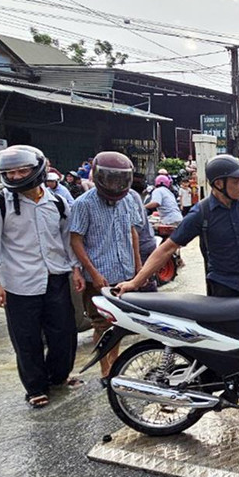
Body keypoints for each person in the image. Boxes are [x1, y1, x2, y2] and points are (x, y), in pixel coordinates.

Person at [116, 155, 239, 330]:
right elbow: (167, 248)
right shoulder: (201, 213)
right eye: (236, 182)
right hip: (225, 286)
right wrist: (135, 282)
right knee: (228, 334)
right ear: (219, 184)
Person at [0, 145, 85, 408]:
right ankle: (35, 387)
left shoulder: (58, 202)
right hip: (18, 282)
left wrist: (75, 269)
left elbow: (65, 240)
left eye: (21, 170)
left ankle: (58, 377)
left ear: (37, 169)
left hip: (55, 278)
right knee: (26, 339)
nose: (15, 176)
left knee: (65, 334)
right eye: (10, 172)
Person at [69, 152, 141, 378]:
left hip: (124, 274)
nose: (115, 184)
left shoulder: (128, 199)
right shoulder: (84, 204)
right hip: (98, 278)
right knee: (101, 325)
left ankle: (115, 365)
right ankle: (105, 371)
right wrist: (92, 272)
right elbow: (75, 240)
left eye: (120, 179)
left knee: (118, 324)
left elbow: (132, 233)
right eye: (110, 179)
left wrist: (139, 268)